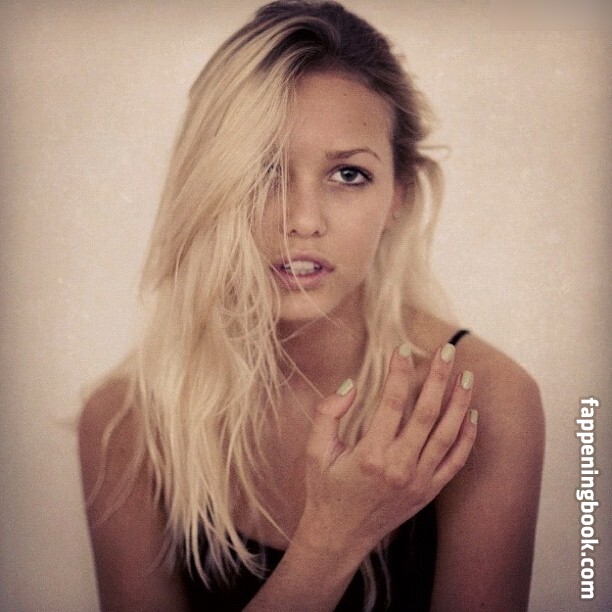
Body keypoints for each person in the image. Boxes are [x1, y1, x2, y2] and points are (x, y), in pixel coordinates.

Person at [78, 1, 545, 610]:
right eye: (262, 172)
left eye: (348, 174)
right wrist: (331, 542)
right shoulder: (125, 425)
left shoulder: (483, 402)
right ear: (208, 185)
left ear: (398, 195)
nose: (301, 220)